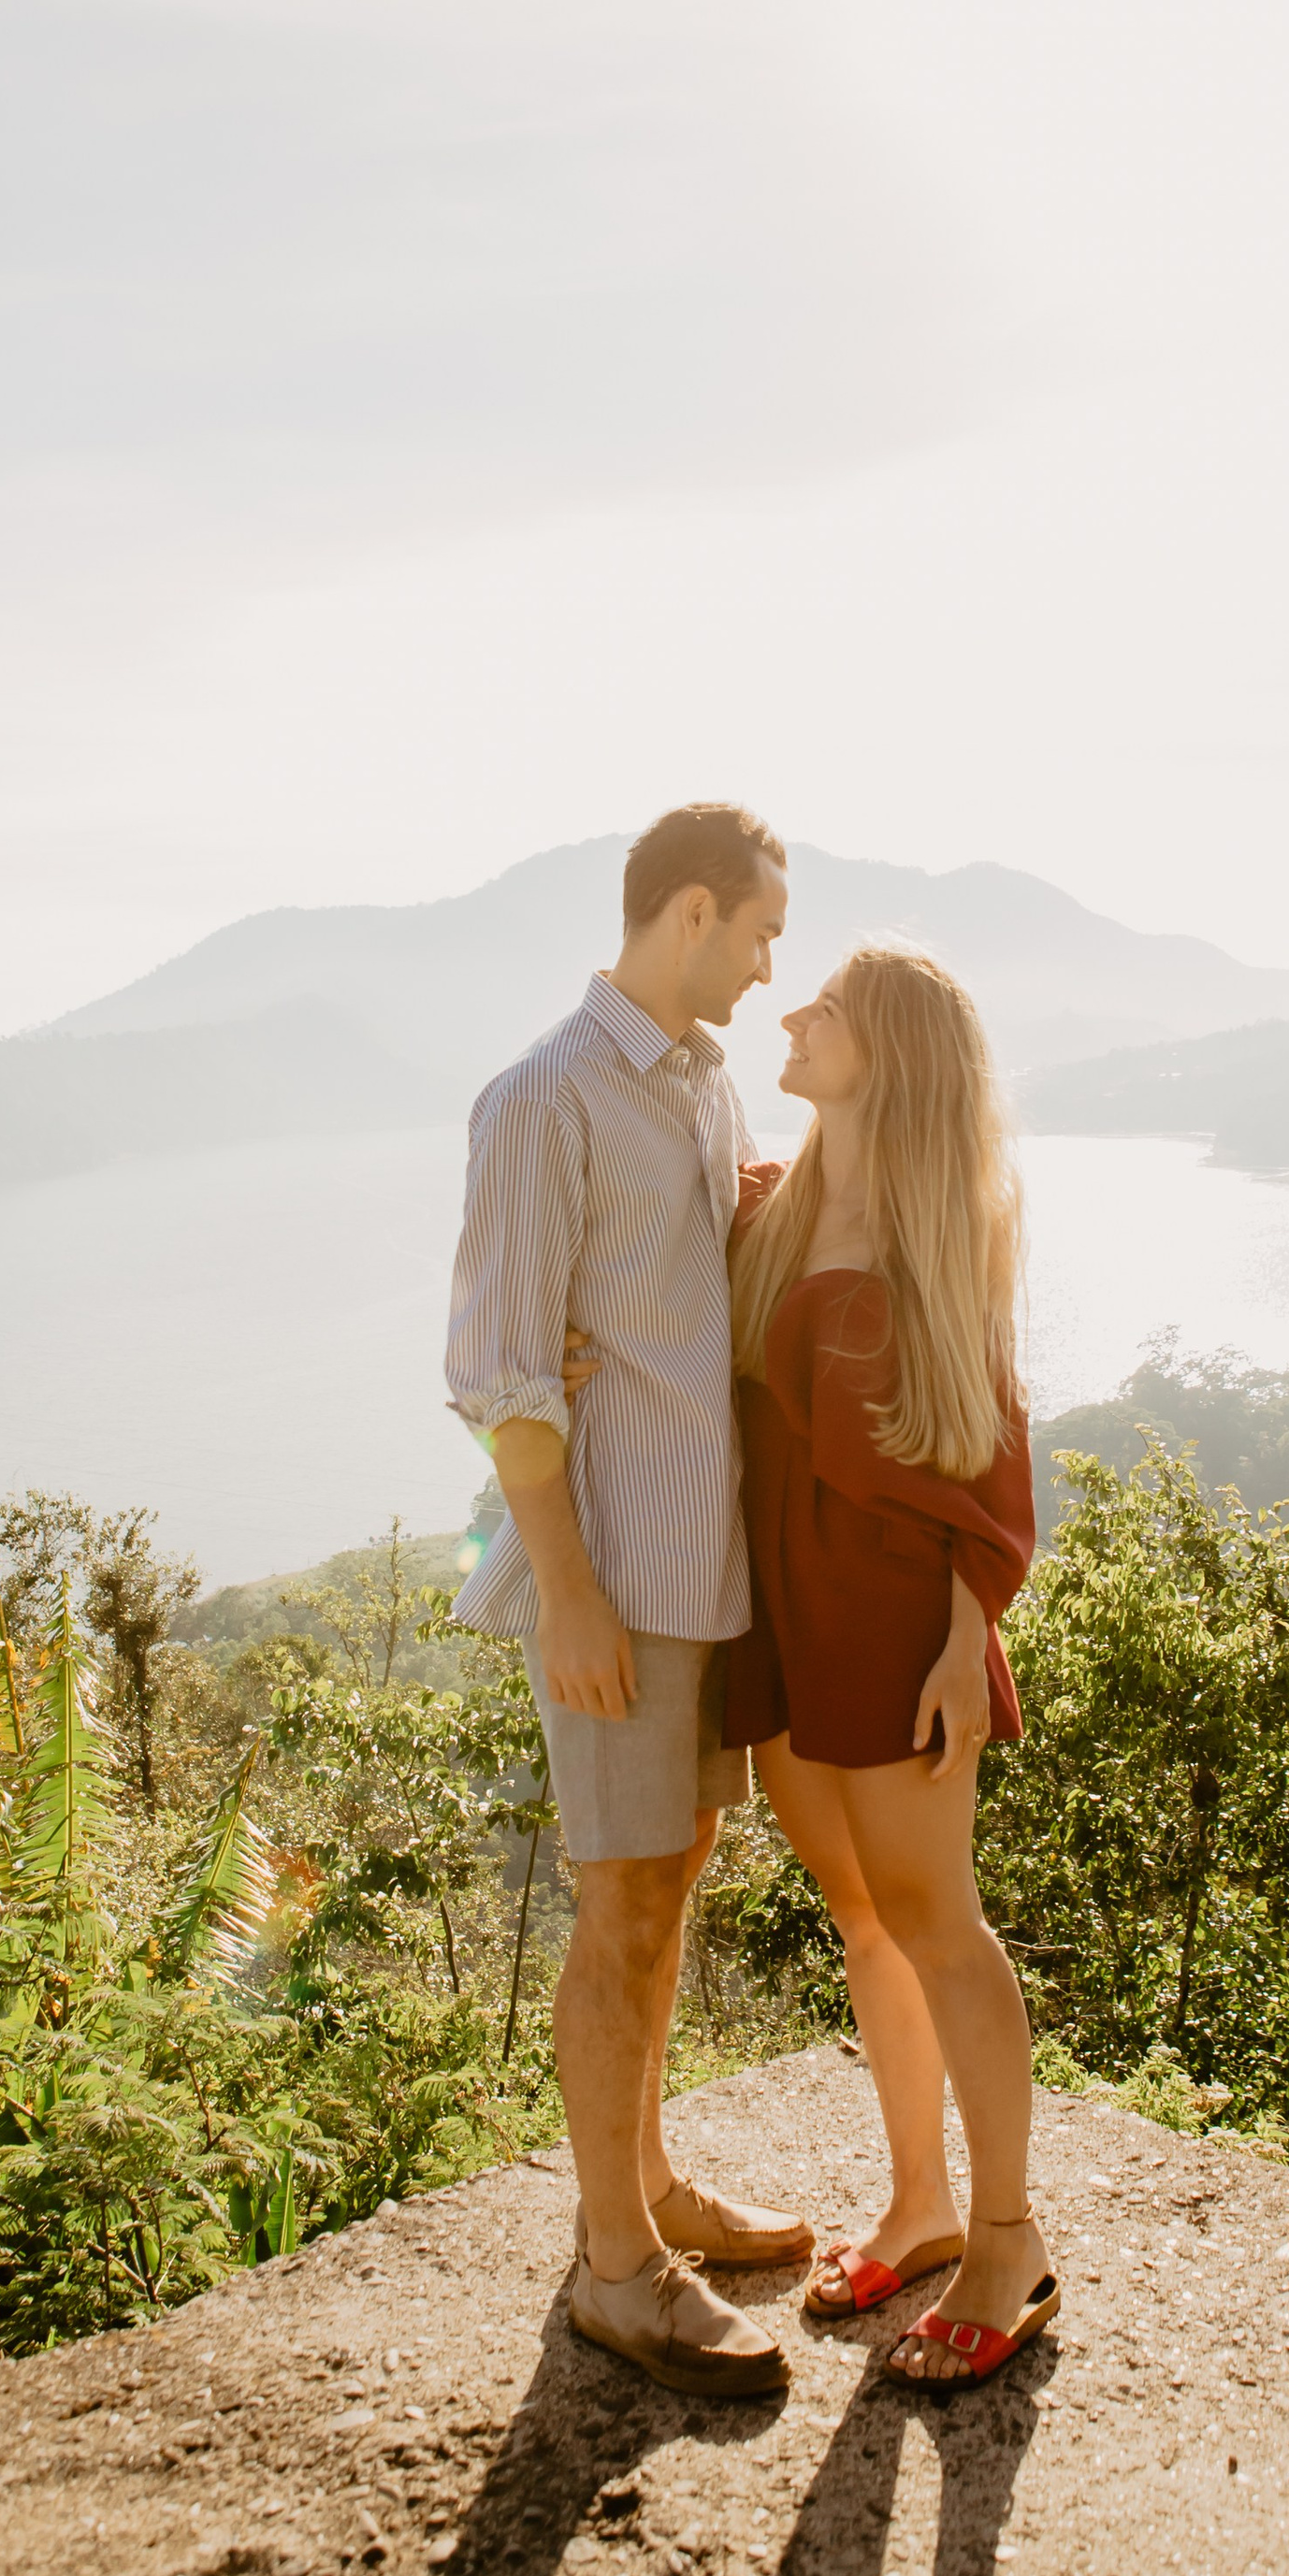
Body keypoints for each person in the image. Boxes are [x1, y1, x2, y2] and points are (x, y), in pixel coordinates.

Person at [445, 801, 810, 2397]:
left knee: (669, 1889)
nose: (767, 963)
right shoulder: (541, 1098)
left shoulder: (706, 1079)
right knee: (620, 1909)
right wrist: (571, 1596)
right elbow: (506, 1375)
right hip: (611, 1574)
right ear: (687, 915)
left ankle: (646, 2180)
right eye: (758, 933)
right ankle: (616, 2270)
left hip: (701, 1559)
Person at [721, 945, 1053, 2389]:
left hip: (895, 1615)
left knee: (938, 1921)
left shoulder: (937, 1234)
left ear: (891, 1056)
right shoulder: (771, 1205)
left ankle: (1009, 2241)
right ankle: (918, 2202)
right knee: (863, 1918)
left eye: (827, 1010)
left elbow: (993, 1448)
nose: (790, 1016)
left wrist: (967, 1626)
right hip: (785, 1609)